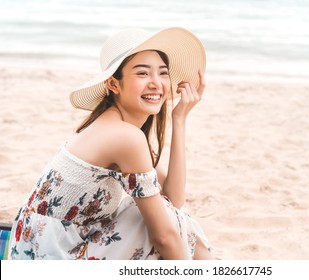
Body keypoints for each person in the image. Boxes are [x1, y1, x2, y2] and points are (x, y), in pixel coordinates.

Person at [8, 27, 213, 260]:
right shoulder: (124, 137)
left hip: (38, 249)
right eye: (143, 74)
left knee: (170, 217)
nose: (157, 83)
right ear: (114, 84)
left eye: (163, 73)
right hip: (50, 258)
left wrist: (180, 120)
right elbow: (163, 237)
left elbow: (173, 198)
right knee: (169, 226)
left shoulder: (118, 127)